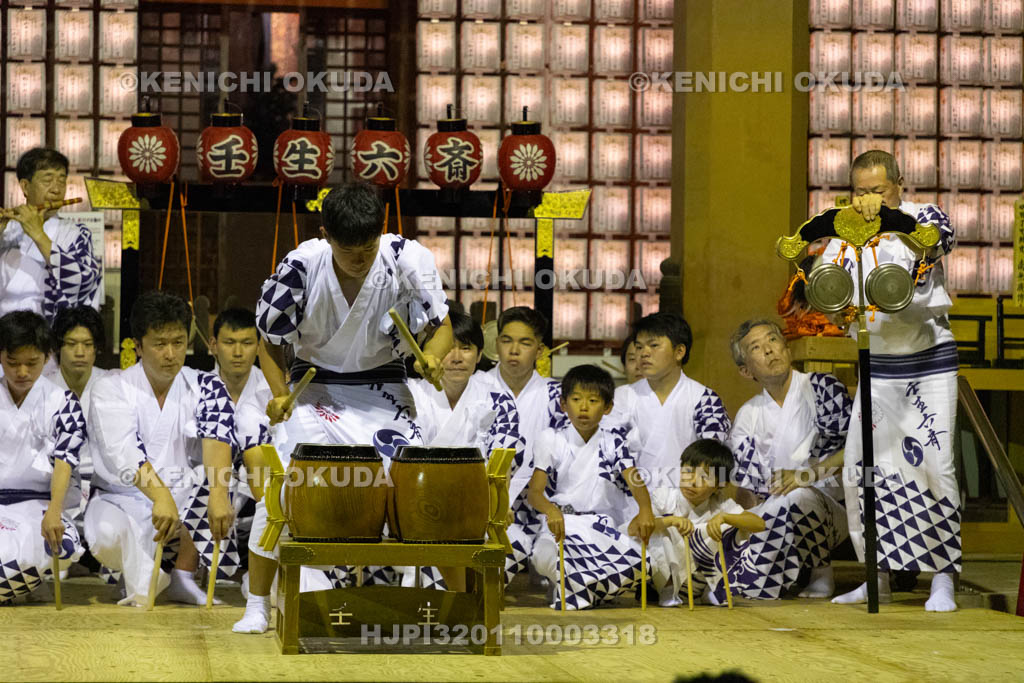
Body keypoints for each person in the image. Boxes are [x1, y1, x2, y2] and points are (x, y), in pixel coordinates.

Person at [248, 183, 452, 622]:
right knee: (286, 487)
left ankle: (451, 603)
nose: (359, 259)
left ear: (382, 231)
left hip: (384, 388)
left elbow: (442, 324)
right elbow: (266, 340)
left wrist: (433, 357)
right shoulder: (302, 265)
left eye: (367, 247)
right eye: (348, 250)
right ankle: (257, 603)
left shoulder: (406, 258)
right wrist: (281, 395)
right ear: (326, 234)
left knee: (414, 489)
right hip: (313, 386)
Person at [821, 150, 960, 612]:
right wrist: (833, 306)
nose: (867, 200)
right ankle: (875, 574)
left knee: (935, 466)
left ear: (899, 183)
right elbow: (823, 285)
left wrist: (888, 217)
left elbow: (936, 243)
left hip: (927, 359)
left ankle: (942, 576)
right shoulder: (843, 230)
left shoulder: (922, 215)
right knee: (863, 470)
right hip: (876, 363)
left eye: (878, 190)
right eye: (860, 191)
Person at [84, 291, 237, 607]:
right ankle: (145, 577)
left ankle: (182, 575)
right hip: (120, 497)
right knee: (107, 535)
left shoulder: (207, 386)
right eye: (159, 344)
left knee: (220, 484)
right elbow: (122, 451)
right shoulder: (110, 388)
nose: (171, 353)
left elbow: (218, 439)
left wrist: (219, 495)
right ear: (138, 346)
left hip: (181, 499)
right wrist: (160, 495)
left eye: (178, 342)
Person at [399, 310, 524, 592]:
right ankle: (453, 608)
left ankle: (464, 607)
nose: (456, 357)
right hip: (415, 505)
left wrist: (494, 501)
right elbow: (400, 454)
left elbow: (506, 457)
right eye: (449, 347)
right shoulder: (409, 393)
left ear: (479, 355)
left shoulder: (498, 398)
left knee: (511, 547)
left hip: (478, 506)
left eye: (466, 348)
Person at [728, 319, 852, 598]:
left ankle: (822, 574)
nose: (769, 350)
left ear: (787, 347)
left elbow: (855, 447)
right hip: (772, 508)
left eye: (772, 340)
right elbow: (748, 487)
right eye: (756, 347)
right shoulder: (748, 414)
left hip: (832, 508)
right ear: (746, 370)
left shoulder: (822, 388)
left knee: (797, 497)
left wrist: (803, 477)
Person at [525, 365, 654, 610]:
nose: (583, 407)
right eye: (576, 399)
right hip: (561, 525)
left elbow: (633, 478)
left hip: (600, 527)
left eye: (593, 400)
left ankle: (573, 588)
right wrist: (552, 511)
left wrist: (645, 509)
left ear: (607, 407)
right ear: (563, 404)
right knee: (543, 557)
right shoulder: (551, 438)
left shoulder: (614, 440)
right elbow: (534, 492)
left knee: (641, 563)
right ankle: (588, 589)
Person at [0, 310, 86, 603]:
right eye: (12, 363)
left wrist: (55, 510)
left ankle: (21, 583)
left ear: (48, 356)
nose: (22, 372)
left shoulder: (63, 403)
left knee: (65, 545)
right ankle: (22, 585)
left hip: (39, 502)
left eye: (32, 363)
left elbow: (66, 458)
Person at [483, 306, 567, 581]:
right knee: (485, 567)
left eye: (525, 342)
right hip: (483, 505)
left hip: (541, 507)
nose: (513, 350)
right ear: (496, 344)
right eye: (506, 340)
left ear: (540, 351)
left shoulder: (557, 397)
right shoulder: (477, 388)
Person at [610, 313, 731, 496]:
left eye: (654, 345)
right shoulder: (621, 398)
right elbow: (609, 452)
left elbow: (713, 458)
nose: (643, 353)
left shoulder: (704, 399)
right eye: (639, 346)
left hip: (687, 506)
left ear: (679, 352)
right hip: (630, 507)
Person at [648, 440, 774, 606]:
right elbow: (636, 527)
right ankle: (669, 589)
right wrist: (670, 521)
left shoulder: (720, 504)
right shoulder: (664, 496)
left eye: (704, 477)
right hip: (661, 578)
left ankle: (716, 588)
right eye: (688, 471)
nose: (693, 481)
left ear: (718, 486)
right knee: (663, 529)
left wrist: (725, 518)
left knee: (732, 527)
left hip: (697, 579)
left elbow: (759, 524)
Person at [0, 148, 101, 322]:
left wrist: (38, 235)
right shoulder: (8, 229)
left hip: (47, 330)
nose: (56, 189)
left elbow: (83, 280)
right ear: (25, 186)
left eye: (62, 181)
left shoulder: (76, 233)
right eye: (47, 180)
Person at [45, 305, 113, 530]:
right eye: (72, 344)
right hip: (55, 483)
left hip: (104, 485)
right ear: (57, 348)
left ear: (96, 348)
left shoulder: (114, 386)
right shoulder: (44, 389)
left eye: (87, 344)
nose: (80, 352)